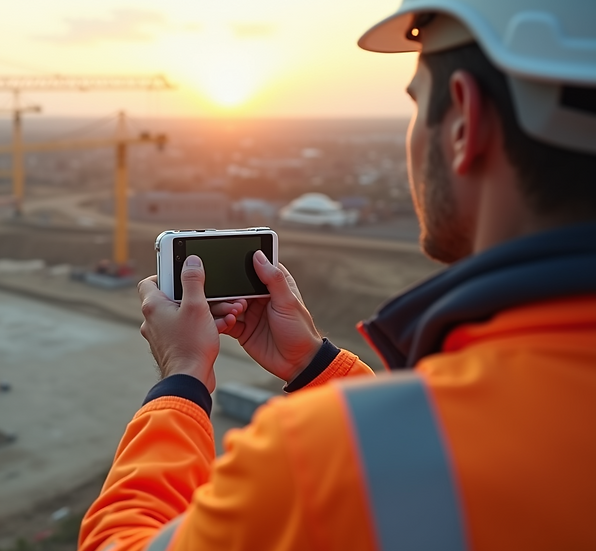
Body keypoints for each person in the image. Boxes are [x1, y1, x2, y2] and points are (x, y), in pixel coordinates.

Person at [79, 1, 596, 550]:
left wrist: (181, 376)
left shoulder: (314, 463)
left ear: (465, 123)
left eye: (417, 105)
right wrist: (316, 366)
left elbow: (120, 541)